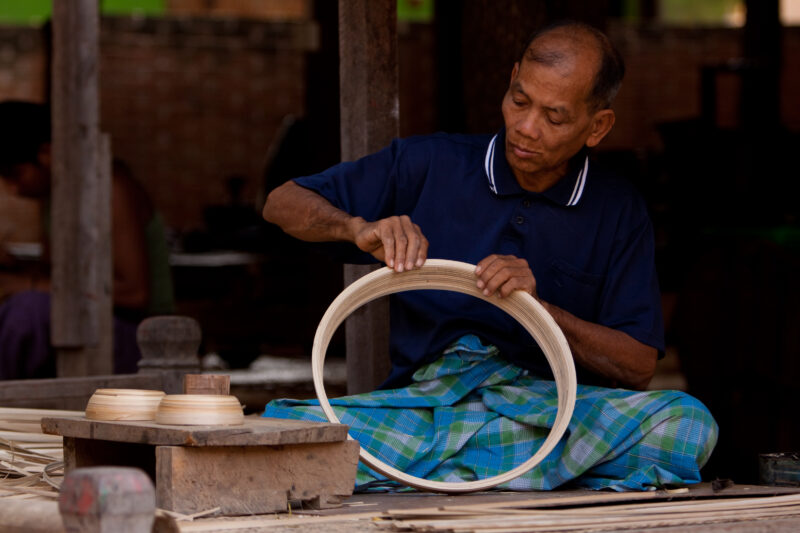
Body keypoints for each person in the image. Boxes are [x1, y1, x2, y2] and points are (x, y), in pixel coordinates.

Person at [261, 21, 718, 491]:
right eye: (520, 101)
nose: (525, 127)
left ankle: (437, 473)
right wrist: (358, 228)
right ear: (513, 76)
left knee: (685, 424)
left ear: (597, 126)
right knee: (282, 429)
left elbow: (638, 366)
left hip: (547, 414)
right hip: (424, 410)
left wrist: (538, 312)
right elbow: (282, 203)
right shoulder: (430, 164)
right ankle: (509, 472)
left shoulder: (618, 210)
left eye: (554, 117)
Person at [0, 100, 174, 378]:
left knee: (28, 311)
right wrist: (14, 269)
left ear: (46, 153)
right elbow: (56, 278)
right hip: (85, 326)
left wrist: (28, 284)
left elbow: (136, 293)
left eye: (15, 174)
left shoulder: (109, 188)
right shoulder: (55, 199)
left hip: (139, 337)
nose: (12, 188)